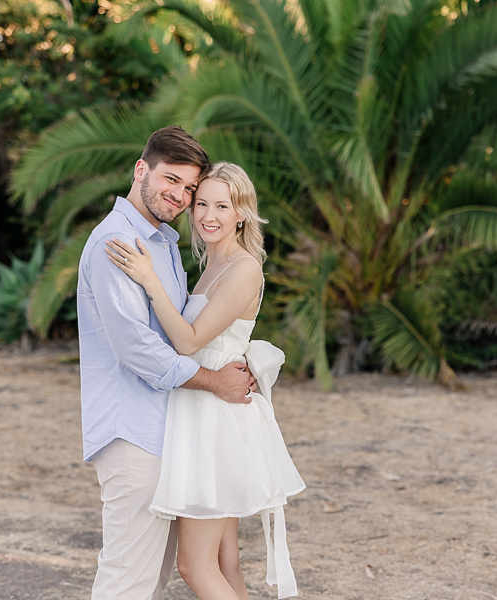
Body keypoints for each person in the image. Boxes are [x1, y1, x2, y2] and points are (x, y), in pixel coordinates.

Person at [105, 162, 306, 599]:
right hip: (200, 413)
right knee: (223, 560)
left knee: (194, 566)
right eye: (201, 204)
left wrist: (148, 280)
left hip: (217, 420)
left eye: (222, 205)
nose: (208, 215)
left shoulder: (243, 267)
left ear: (242, 213)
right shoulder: (211, 263)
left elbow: (189, 341)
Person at [77, 127, 254, 600]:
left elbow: (188, 334)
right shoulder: (117, 241)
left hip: (168, 431)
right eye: (170, 180)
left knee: (150, 581)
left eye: (189, 189)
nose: (179, 195)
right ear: (141, 170)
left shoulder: (162, 243)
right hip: (132, 431)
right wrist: (215, 381)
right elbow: (137, 347)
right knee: (126, 578)